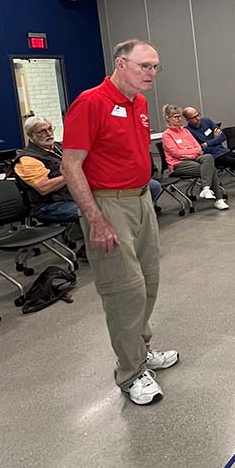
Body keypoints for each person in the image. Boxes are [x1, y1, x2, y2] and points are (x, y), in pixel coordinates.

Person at [61, 38, 178, 405]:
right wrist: (95, 219)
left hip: (141, 199)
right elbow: (70, 165)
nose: (152, 73)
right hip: (108, 206)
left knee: (147, 282)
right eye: (145, 66)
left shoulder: (139, 103)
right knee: (123, 291)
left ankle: (140, 353)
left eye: (156, 67)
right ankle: (129, 372)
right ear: (121, 64)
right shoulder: (91, 102)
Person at [13, 117, 81, 229]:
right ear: (31, 135)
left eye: (50, 129)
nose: (49, 133)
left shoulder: (60, 147)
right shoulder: (27, 158)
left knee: (109, 204)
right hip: (48, 206)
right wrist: (73, 172)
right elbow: (44, 188)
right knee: (90, 211)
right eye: (42, 131)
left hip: (72, 197)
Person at [160, 104, 229, 210]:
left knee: (208, 157)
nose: (179, 119)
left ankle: (206, 188)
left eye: (180, 116)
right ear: (168, 119)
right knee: (210, 168)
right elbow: (176, 154)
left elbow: (199, 147)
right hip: (178, 164)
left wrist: (189, 154)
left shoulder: (185, 131)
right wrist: (192, 153)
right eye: (176, 117)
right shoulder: (167, 135)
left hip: (192, 159)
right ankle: (218, 199)